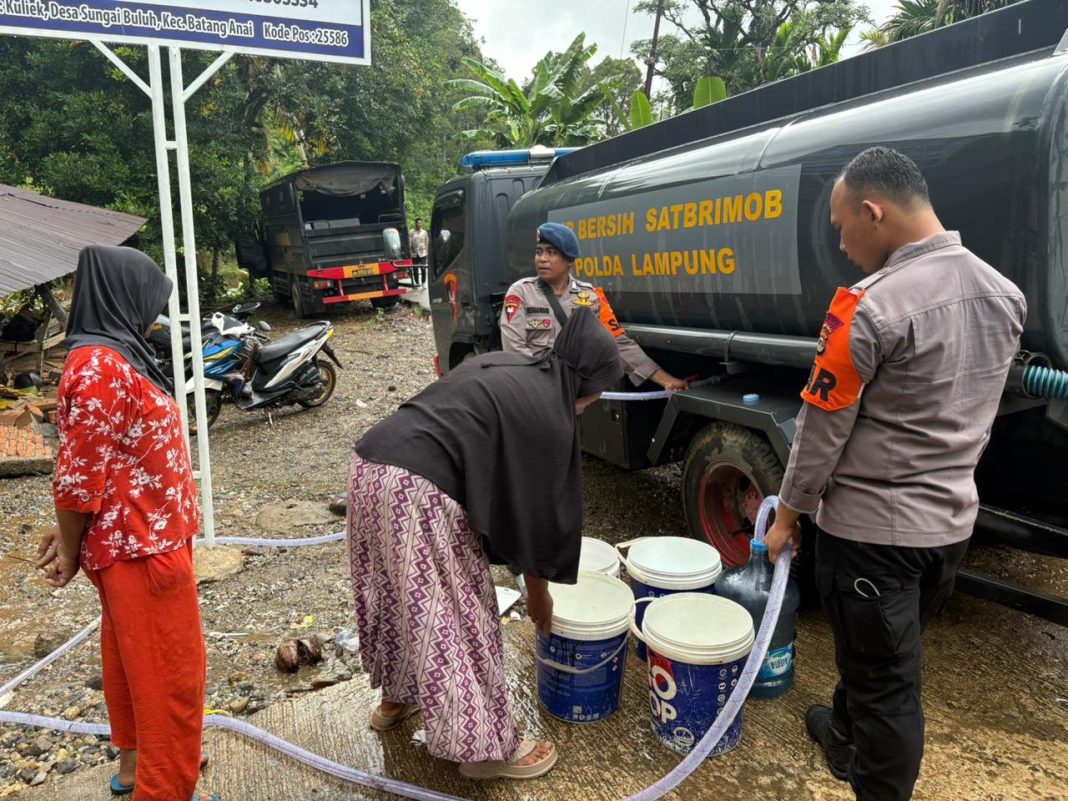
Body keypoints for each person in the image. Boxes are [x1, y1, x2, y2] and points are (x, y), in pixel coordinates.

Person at [764, 147, 1026, 801]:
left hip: (872, 538)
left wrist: (787, 518)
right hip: (948, 528)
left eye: (842, 226)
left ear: (873, 211)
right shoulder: (1005, 294)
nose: (843, 244)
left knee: (890, 692)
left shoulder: (867, 306)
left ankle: (874, 769)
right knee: (880, 654)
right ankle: (842, 732)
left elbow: (821, 429)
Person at [346, 308, 622, 780]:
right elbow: (538, 519)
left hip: (370, 465)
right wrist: (540, 595)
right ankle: (488, 750)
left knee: (401, 600)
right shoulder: (551, 414)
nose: (596, 400)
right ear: (590, 380)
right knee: (459, 612)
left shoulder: (512, 364)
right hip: (419, 492)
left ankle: (397, 700)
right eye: (600, 389)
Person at [36, 246, 216, 801]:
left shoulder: (110, 356)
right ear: (121, 295)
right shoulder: (102, 367)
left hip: (137, 538)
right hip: (142, 547)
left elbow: (94, 464)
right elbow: (77, 478)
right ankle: (165, 789)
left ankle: (138, 767)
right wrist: (68, 547)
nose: (153, 314)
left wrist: (69, 533)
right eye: (147, 300)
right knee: (170, 680)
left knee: (131, 661)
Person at [500, 222, 688, 391]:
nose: (542, 259)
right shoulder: (520, 293)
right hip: (534, 390)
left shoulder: (591, 296)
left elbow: (618, 343)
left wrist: (665, 380)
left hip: (572, 392)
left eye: (552, 252)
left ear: (570, 261)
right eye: (539, 251)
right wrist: (544, 384)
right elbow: (514, 347)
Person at [409, 217, 429, 286]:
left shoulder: (424, 232)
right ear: (416, 223)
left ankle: (424, 282)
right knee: (415, 269)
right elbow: (409, 242)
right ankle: (417, 282)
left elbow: (426, 242)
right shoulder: (411, 232)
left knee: (423, 268)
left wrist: (426, 251)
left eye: (421, 223)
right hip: (414, 253)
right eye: (418, 223)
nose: (419, 224)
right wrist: (410, 249)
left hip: (422, 253)